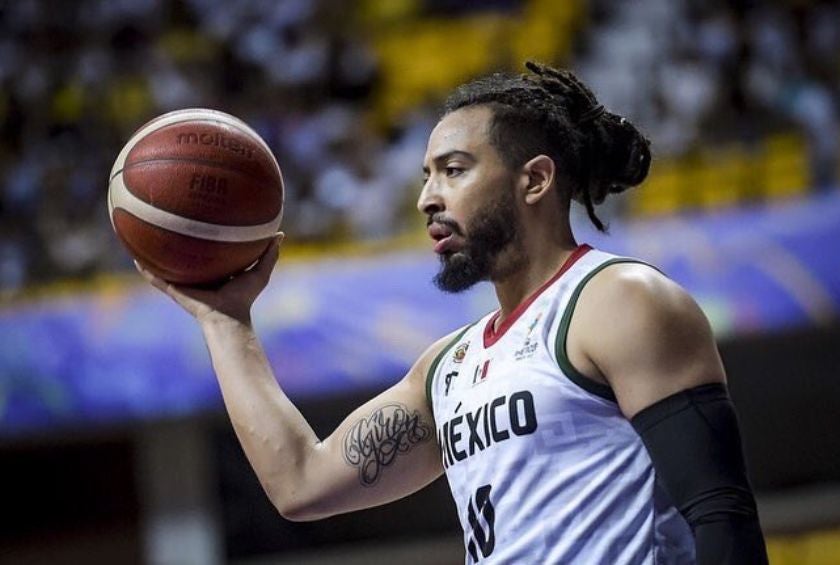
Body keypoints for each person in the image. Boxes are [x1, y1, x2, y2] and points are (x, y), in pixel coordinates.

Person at [137, 62, 768, 564]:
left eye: (454, 171)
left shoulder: (620, 300)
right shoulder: (447, 368)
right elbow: (301, 483)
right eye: (425, 176)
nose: (425, 198)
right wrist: (226, 324)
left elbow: (721, 517)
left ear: (536, 180)